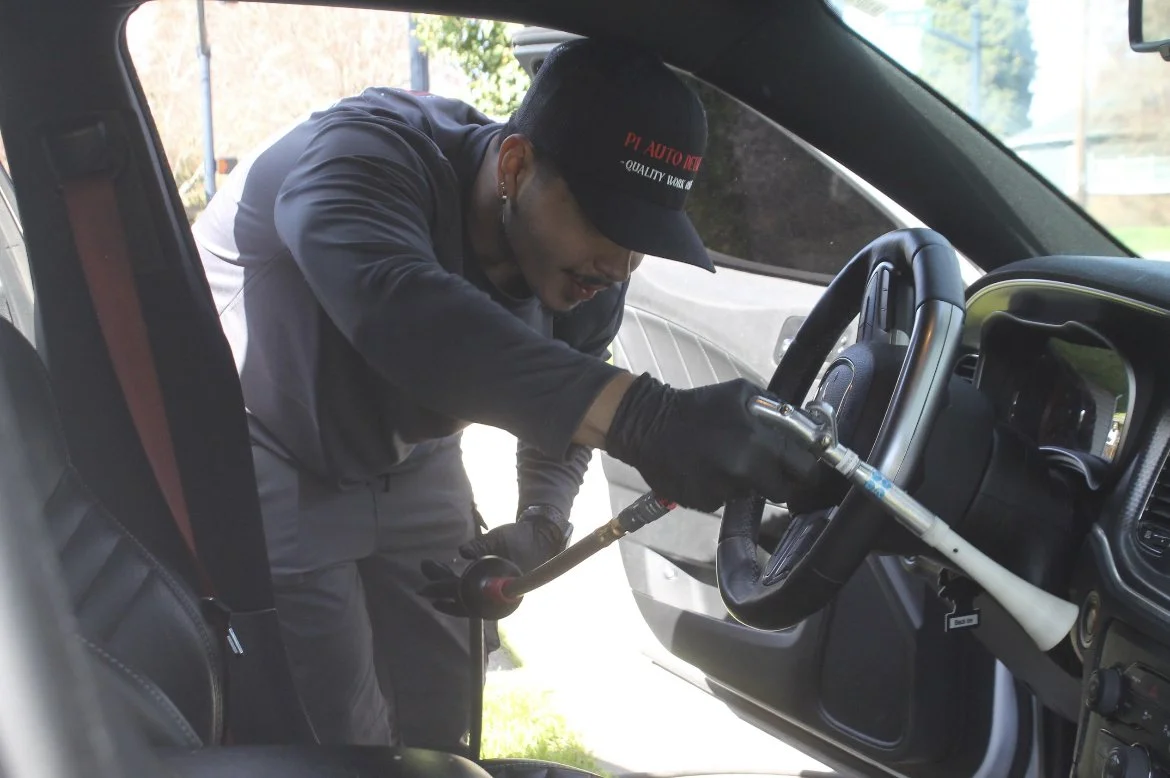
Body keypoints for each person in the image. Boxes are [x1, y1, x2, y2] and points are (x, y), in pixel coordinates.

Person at [192, 37, 808, 753]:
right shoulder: (359, 156)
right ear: (515, 166)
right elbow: (399, 307)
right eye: (610, 226)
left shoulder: (585, 271)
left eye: (645, 237)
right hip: (274, 444)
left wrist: (543, 521)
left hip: (412, 456)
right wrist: (647, 415)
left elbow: (570, 386)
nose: (623, 264)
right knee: (342, 737)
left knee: (446, 721)